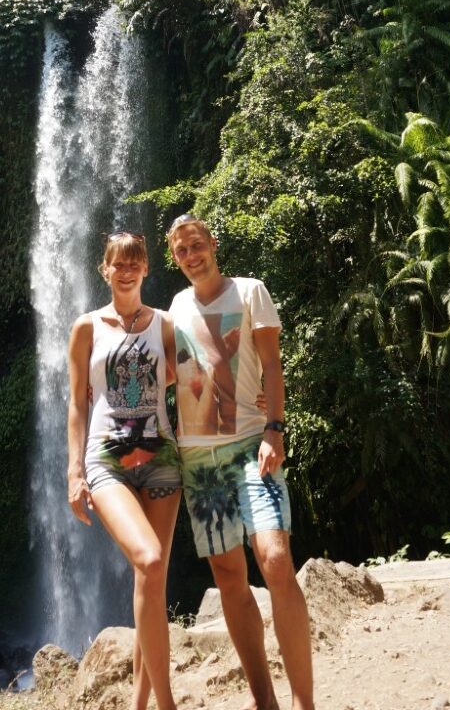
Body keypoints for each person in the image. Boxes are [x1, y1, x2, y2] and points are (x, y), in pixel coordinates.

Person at [166, 214, 314, 710]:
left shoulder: (250, 291)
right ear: (174, 258)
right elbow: (173, 372)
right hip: (198, 460)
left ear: (213, 243)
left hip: (253, 446)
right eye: (182, 250)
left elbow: (272, 363)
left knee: (275, 560)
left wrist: (276, 427)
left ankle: (304, 702)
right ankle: (263, 698)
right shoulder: (176, 306)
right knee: (228, 576)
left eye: (197, 245)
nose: (191, 256)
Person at [67, 231, 181, 710]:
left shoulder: (166, 324)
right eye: (119, 263)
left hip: (162, 458)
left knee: (151, 581)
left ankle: (139, 705)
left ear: (147, 268)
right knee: (149, 560)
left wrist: (254, 397)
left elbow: (195, 376)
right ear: (105, 269)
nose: (127, 270)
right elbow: (77, 404)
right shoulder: (86, 327)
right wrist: (74, 473)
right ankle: (167, 704)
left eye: (136, 262)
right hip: (106, 459)